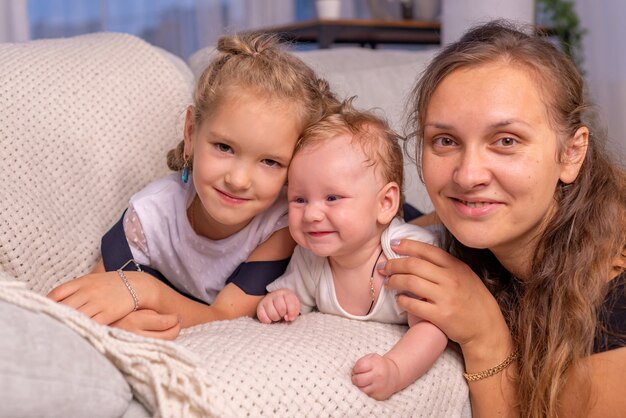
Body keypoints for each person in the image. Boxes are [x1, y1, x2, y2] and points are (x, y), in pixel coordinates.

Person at [380, 20, 626, 417]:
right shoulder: (457, 230)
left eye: (506, 141)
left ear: (571, 153)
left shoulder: (613, 301)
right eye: (445, 141)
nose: (467, 174)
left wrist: (485, 339)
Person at [48, 33, 335, 340]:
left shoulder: (280, 224)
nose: (238, 180)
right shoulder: (149, 217)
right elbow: (93, 295)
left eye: (270, 162)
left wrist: (146, 292)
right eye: (224, 147)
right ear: (191, 133)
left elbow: (223, 317)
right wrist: (115, 324)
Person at [256, 100, 449, 401]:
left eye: (332, 197)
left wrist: (395, 370)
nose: (312, 215)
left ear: (384, 204)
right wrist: (279, 302)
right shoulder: (310, 257)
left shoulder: (408, 255)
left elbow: (433, 328)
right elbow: (290, 296)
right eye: (300, 199)